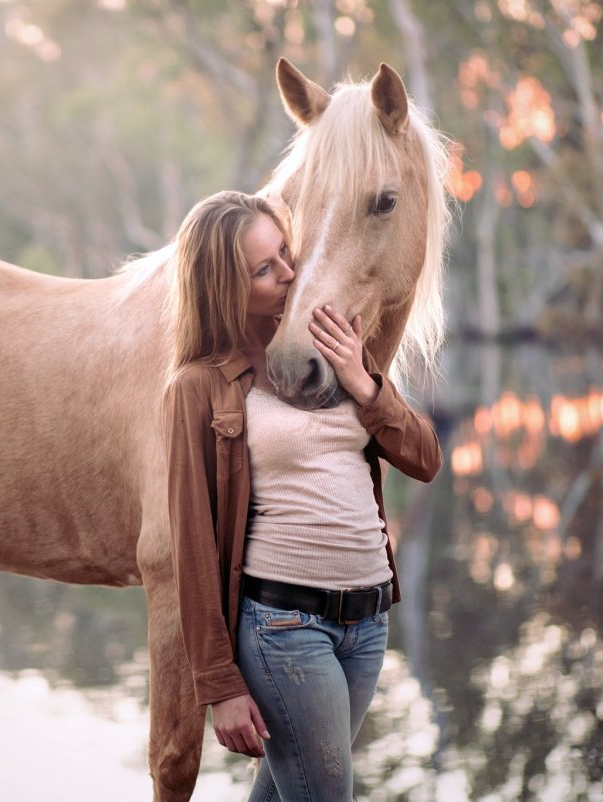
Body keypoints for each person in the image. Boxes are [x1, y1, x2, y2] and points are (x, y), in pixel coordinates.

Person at [163, 190, 441, 801]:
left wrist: (366, 386)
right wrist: (220, 685)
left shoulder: (332, 340)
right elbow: (191, 543)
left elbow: (424, 460)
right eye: (263, 270)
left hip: (367, 624)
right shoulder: (199, 387)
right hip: (284, 626)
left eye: (284, 252)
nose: (289, 274)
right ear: (222, 289)